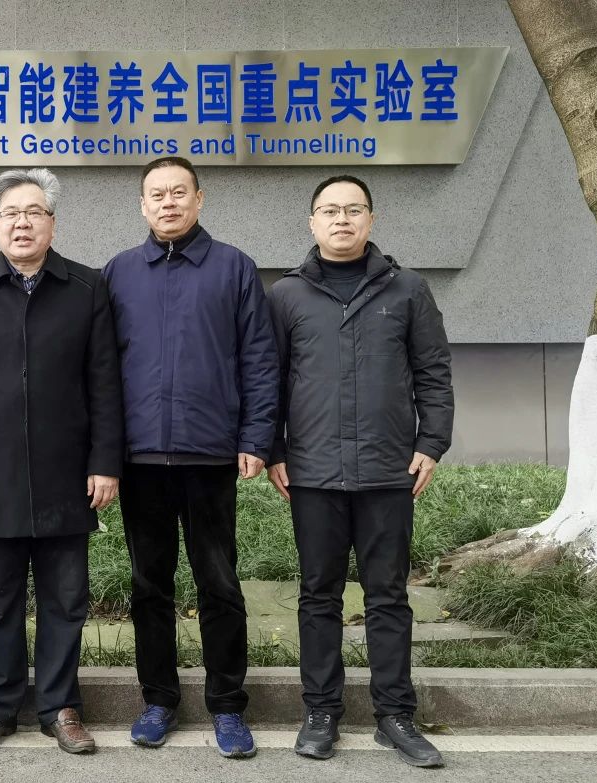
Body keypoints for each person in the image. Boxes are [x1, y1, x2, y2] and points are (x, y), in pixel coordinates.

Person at [267, 175, 453, 768]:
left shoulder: (408, 289)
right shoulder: (286, 294)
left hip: (387, 470)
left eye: (353, 209)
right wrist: (273, 449)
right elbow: (269, 380)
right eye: (330, 210)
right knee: (317, 595)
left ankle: (395, 716)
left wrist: (432, 443)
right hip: (313, 472)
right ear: (312, 222)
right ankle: (321, 711)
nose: (341, 219)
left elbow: (434, 372)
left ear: (371, 219)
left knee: (388, 597)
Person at [0, 168, 123, 755]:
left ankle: (60, 706)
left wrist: (105, 461)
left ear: (52, 224)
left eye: (33, 212)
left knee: (66, 599)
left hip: (68, 473)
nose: (22, 223)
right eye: (10, 214)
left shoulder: (87, 288)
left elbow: (105, 383)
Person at [102, 156, 278, 756]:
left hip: (210, 455)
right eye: (157, 194)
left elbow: (259, 359)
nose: (169, 203)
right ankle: (158, 700)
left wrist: (255, 438)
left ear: (199, 199)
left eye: (179, 192)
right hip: (141, 459)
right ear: (142, 205)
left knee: (219, 583)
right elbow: (101, 370)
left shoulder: (233, 267)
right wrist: (106, 451)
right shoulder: (120, 272)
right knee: (149, 585)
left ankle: (227, 705)